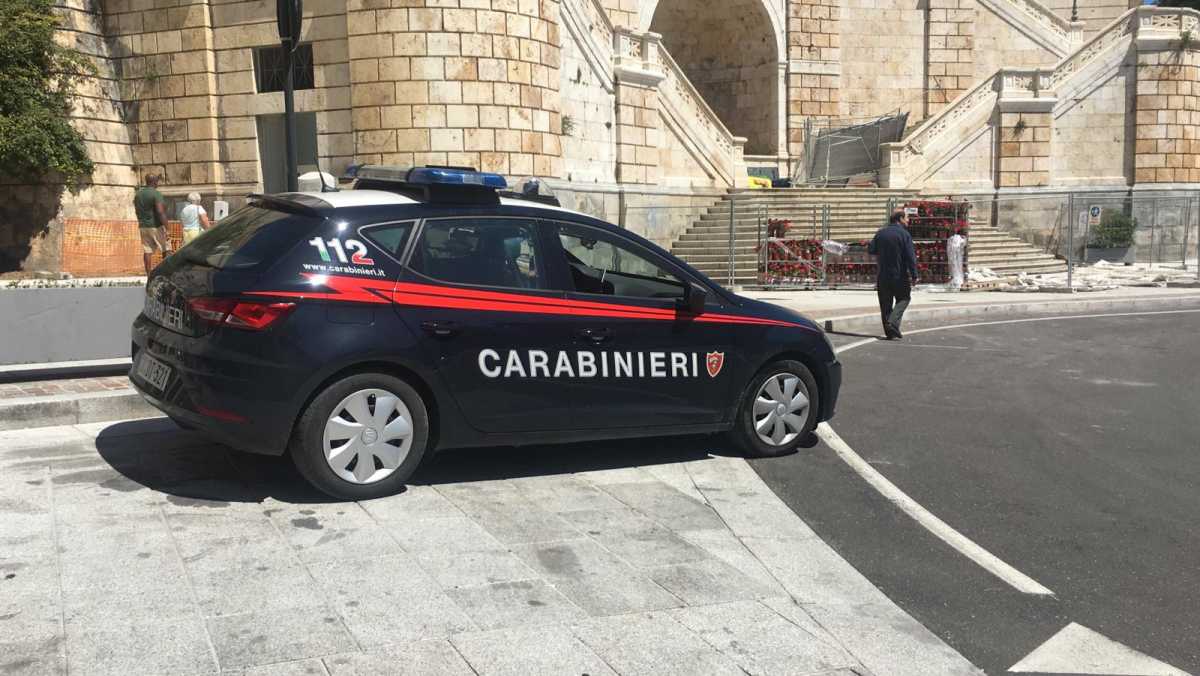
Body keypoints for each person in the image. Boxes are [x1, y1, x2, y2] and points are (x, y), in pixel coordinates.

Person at [869, 210, 918, 340]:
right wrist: (914, 275)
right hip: (899, 275)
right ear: (900, 219)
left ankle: (890, 331)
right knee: (904, 298)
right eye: (907, 218)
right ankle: (892, 323)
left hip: (883, 275)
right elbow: (910, 257)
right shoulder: (904, 234)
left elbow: (871, 249)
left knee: (885, 303)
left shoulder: (880, 233)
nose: (908, 220)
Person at [133, 174, 171, 274]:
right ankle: (165, 273)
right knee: (166, 248)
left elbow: (136, 210)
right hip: (156, 225)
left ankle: (149, 275)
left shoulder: (138, 195)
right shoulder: (156, 194)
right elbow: (160, 211)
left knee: (147, 251)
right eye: (157, 182)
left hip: (143, 226)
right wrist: (167, 228)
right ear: (154, 182)